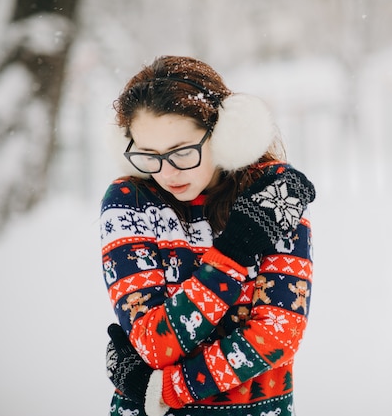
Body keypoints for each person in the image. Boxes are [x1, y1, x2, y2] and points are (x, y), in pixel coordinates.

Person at [100, 56, 316, 416]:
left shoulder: (275, 195)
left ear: (224, 134)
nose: (167, 172)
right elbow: (153, 344)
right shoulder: (130, 202)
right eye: (148, 155)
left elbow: (278, 333)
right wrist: (233, 257)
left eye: (183, 151)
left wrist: (165, 388)